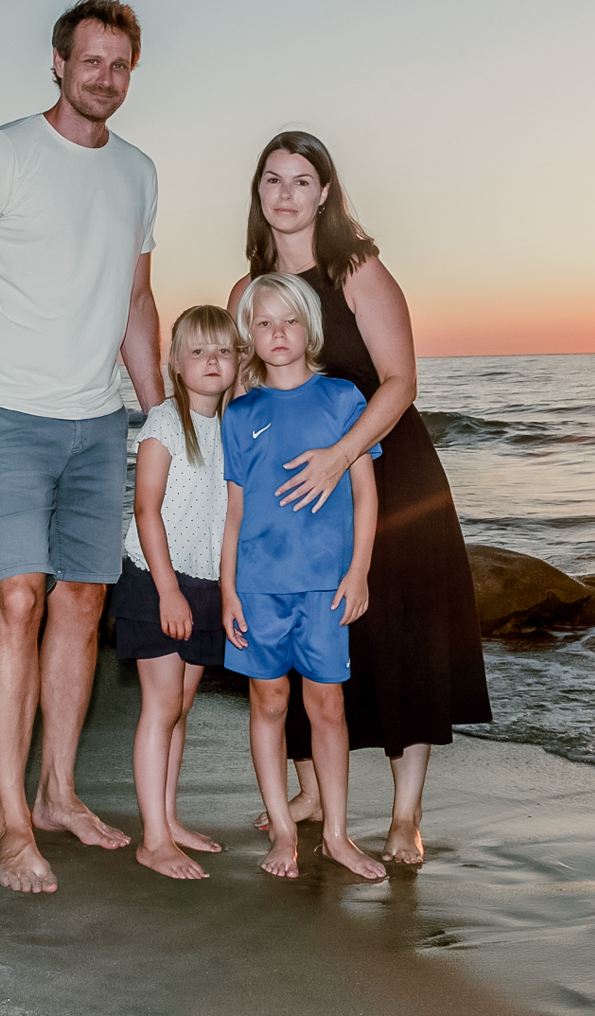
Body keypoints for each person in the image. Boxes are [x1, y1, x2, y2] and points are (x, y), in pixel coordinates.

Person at [0, 0, 163, 894]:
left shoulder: (139, 173)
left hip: (98, 423)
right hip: (8, 415)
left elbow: (136, 302)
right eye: (90, 61)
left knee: (84, 605)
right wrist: (11, 336)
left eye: (119, 64)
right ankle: (11, 823)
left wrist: (161, 410)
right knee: (17, 599)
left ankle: (57, 792)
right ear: (58, 64)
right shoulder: (3, 152)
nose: (105, 77)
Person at [227, 131, 492, 865]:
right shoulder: (248, 293)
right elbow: (244, 398)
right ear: (258, 194)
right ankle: (311, 794)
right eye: (272, 180)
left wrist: (341, 457)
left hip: (388, 475)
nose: (286, 194)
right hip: (296, 499)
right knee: (301, 639)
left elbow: (402, 380)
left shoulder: (357, 268)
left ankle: (405, 815)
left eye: (302, 180)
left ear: (325, 192)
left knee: (397, 640)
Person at [221, 273, 387, 881]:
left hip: (326, 585)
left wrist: (359, 570)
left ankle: (338, 835)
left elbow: (365, 495)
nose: (278, 333)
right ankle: (284, 833)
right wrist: (229, 591)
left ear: (309, 327)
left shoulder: (342, 398)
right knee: (268, 702)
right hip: (259, 587)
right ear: (249, 335)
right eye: (263, 323)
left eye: (288, 321)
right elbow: (234, 513)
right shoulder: (239, 415)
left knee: (328, 706)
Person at [114, 304, 237, 880]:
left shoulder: (233, 426)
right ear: (176, 363)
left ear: (239, 361)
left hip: (206, 581)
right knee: (161, 707)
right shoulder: (165, 420)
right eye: (198, 351)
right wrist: (167, 591)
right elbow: (145, 508)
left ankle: (168, 818)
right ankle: (153, 840)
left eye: (224, 350)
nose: (212, 361)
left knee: (181, 709)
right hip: (157, 579)